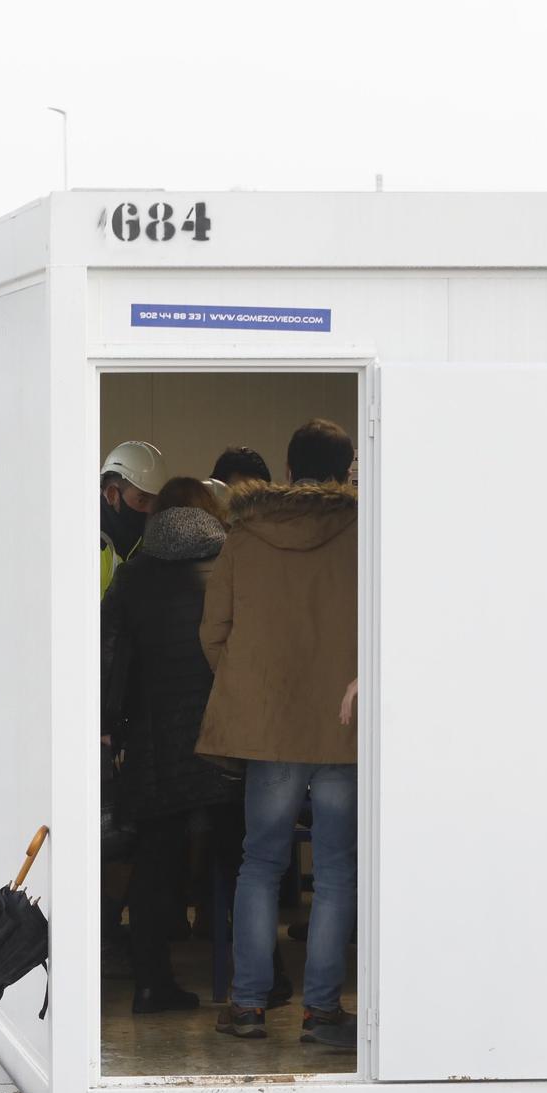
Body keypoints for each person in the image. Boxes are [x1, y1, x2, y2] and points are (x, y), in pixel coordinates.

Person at [198, 418, 359, 1047]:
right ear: (348, 470)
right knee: (338, 871)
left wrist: (250, 691)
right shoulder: (365, 533)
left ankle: (247, 1007)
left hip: (270, 731)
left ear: (287, 473)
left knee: (260, 864)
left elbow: (214, 632)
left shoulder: (244, 534)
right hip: (343, 730)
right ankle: (322, 1014)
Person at [102, 478, 244, 1013]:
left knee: (154, 862)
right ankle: (255, 981)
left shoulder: (133, 576)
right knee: (241, 857)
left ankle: (150, 983)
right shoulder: (234, 567)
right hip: (227, 736)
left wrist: (110, 722)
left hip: (156, 741)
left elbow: (108, 656)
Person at [98, 439, 166, 596]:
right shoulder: (89, 547)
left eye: (155, 502)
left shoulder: (141, 543)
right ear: (112, 495)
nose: (150, 510)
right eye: (142, 500)